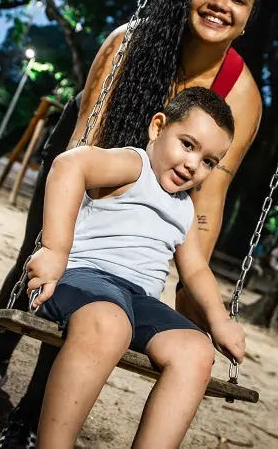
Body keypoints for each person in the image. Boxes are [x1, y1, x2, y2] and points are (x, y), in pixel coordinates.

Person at [0, 0, 263, 448]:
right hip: (94, 151)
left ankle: (29, 417)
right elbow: (83, 143)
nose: (221, 3)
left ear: (247, 18)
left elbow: (210, 197)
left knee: (103, 316)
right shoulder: (131, 43)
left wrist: (196, 299)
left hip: (158, 183)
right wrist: (67, 238)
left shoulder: (240, 93)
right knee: (43, 258)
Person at [27, 87, 245, 448]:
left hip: (137, 301)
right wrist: (54, 249)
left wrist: (220, 321)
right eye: (188, 144)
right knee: (110, 324)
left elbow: (194, 271)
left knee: (196, 351)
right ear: (158, 128)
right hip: (81, 278)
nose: (193, 164)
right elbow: (70, 164)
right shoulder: (134, 165)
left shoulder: (184, 208)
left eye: (208, 161)